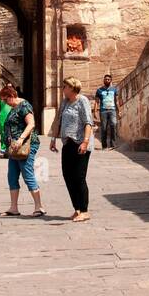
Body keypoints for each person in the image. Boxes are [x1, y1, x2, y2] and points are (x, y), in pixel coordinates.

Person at [51, 77, 93, 221]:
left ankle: (85, 210)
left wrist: (85, 142)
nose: (63, 89)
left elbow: (88, 122)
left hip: (81, 143)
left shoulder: (82, 101)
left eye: (65, 86)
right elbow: (58, 120)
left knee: (79, 176)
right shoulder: (64, 102)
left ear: (72, 88)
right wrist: (53, 139)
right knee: (67, 175)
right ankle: (77, 208)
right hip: (67, 143)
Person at [0, 83, 44, 217]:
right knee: (12, 176)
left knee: (27, 174)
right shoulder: (13, 107)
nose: (5, 103)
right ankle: (14, 208)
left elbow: (31, 124)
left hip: (26, 146)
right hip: (14, 148)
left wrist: (20, 139)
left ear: (12, 96)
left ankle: (39, 206)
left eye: (6, 99)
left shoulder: (24, 106)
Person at [94, 74, 119, 150]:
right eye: (106, 79)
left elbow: (117, 101)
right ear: (103, 80)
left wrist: (119, 111)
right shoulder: (99, 90)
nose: (107, 80)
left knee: (113, 126)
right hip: (103, 111)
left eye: (108, 79)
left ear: (111, 81)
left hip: (112, 110)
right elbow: (96, 102)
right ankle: (104, 146)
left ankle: (112, 145)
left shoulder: (114, 89)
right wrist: (95, 111)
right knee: (104, 128)